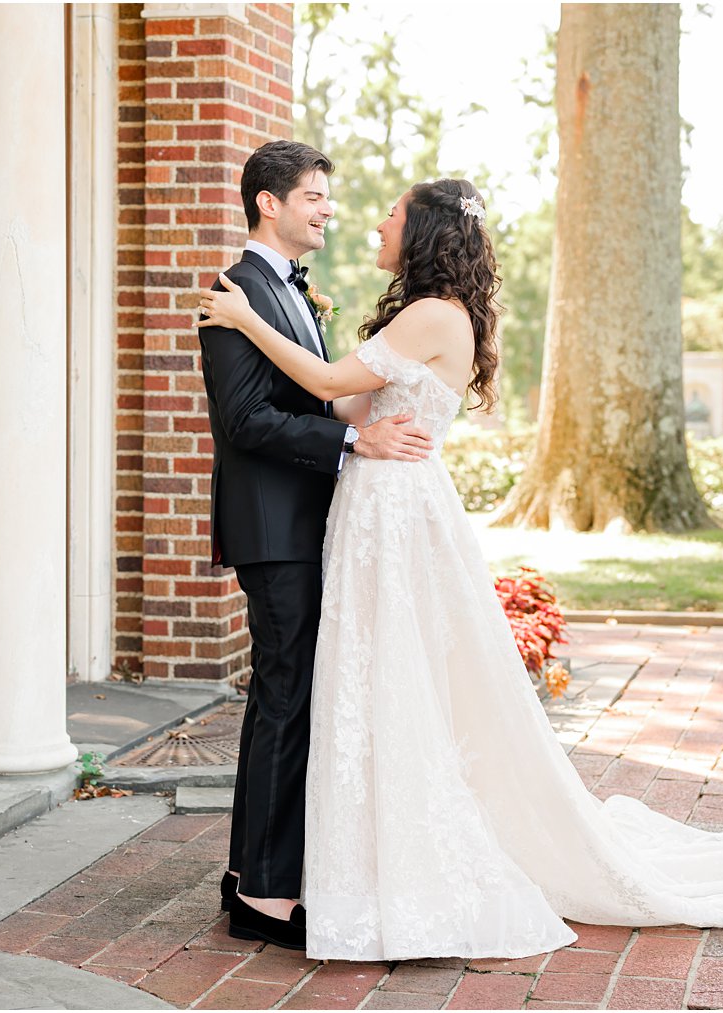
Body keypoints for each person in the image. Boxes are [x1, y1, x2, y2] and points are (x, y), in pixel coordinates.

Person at [196, 176, 723, 961]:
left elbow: (324, 383)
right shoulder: (428, 314)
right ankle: (346, 860)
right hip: (374, 504)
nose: (374, 221)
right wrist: (328, 403)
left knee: (393, 678)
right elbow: (346, 406)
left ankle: (381, 864)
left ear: (422, 235)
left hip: (394, 510)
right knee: (372, 679)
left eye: (392, 214)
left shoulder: (429, 315)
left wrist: (248, 320)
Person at [195, 140, 435, 951]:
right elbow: (245, 421)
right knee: (287, 698)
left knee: (282, 698)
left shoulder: (288, 291)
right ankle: (263, 898)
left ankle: (251, 876)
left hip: (304, 522)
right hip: (274, 528)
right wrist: (350, 448)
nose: (328, 209)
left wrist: (361, 422)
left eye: (328, 197)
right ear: (269, 202)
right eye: (314, 196)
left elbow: (308, 391)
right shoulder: (239, 290)